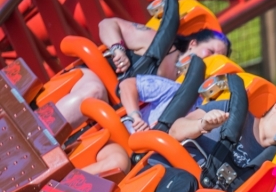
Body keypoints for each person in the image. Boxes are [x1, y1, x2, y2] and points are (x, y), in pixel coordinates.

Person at [151, 92, 276, 192]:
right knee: (184, 182)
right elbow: (174, 131)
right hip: (174, 176)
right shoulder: (232, 111)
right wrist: (202, 124)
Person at [56, 23, 230, 130]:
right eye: (210, 51)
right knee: (94, 93)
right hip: (96, 77)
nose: (209, 58)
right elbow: (107, 24)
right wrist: (118, 48)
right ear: (193, 44)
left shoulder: (189, 93)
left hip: (114, 119)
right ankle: (39, 137)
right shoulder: (160, 43)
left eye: (216, 58)